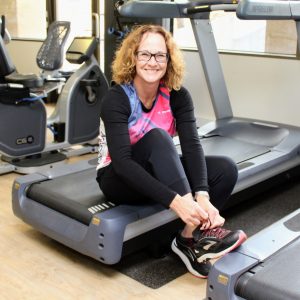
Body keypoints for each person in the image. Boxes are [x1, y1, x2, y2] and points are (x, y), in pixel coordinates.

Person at [96, 24, 247, 278]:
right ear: (133, 57)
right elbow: (122, 163)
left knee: (225, 170)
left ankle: (187, 238)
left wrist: (202, 195)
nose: (152, 62)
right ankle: (197, 230)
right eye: (145, 54)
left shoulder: (178, 96)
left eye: (160, 55)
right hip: (117, 178)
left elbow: (191, 146)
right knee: (158, 138)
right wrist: (178, 202)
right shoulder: (117, 98)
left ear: (168, 60)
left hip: (155, 169)